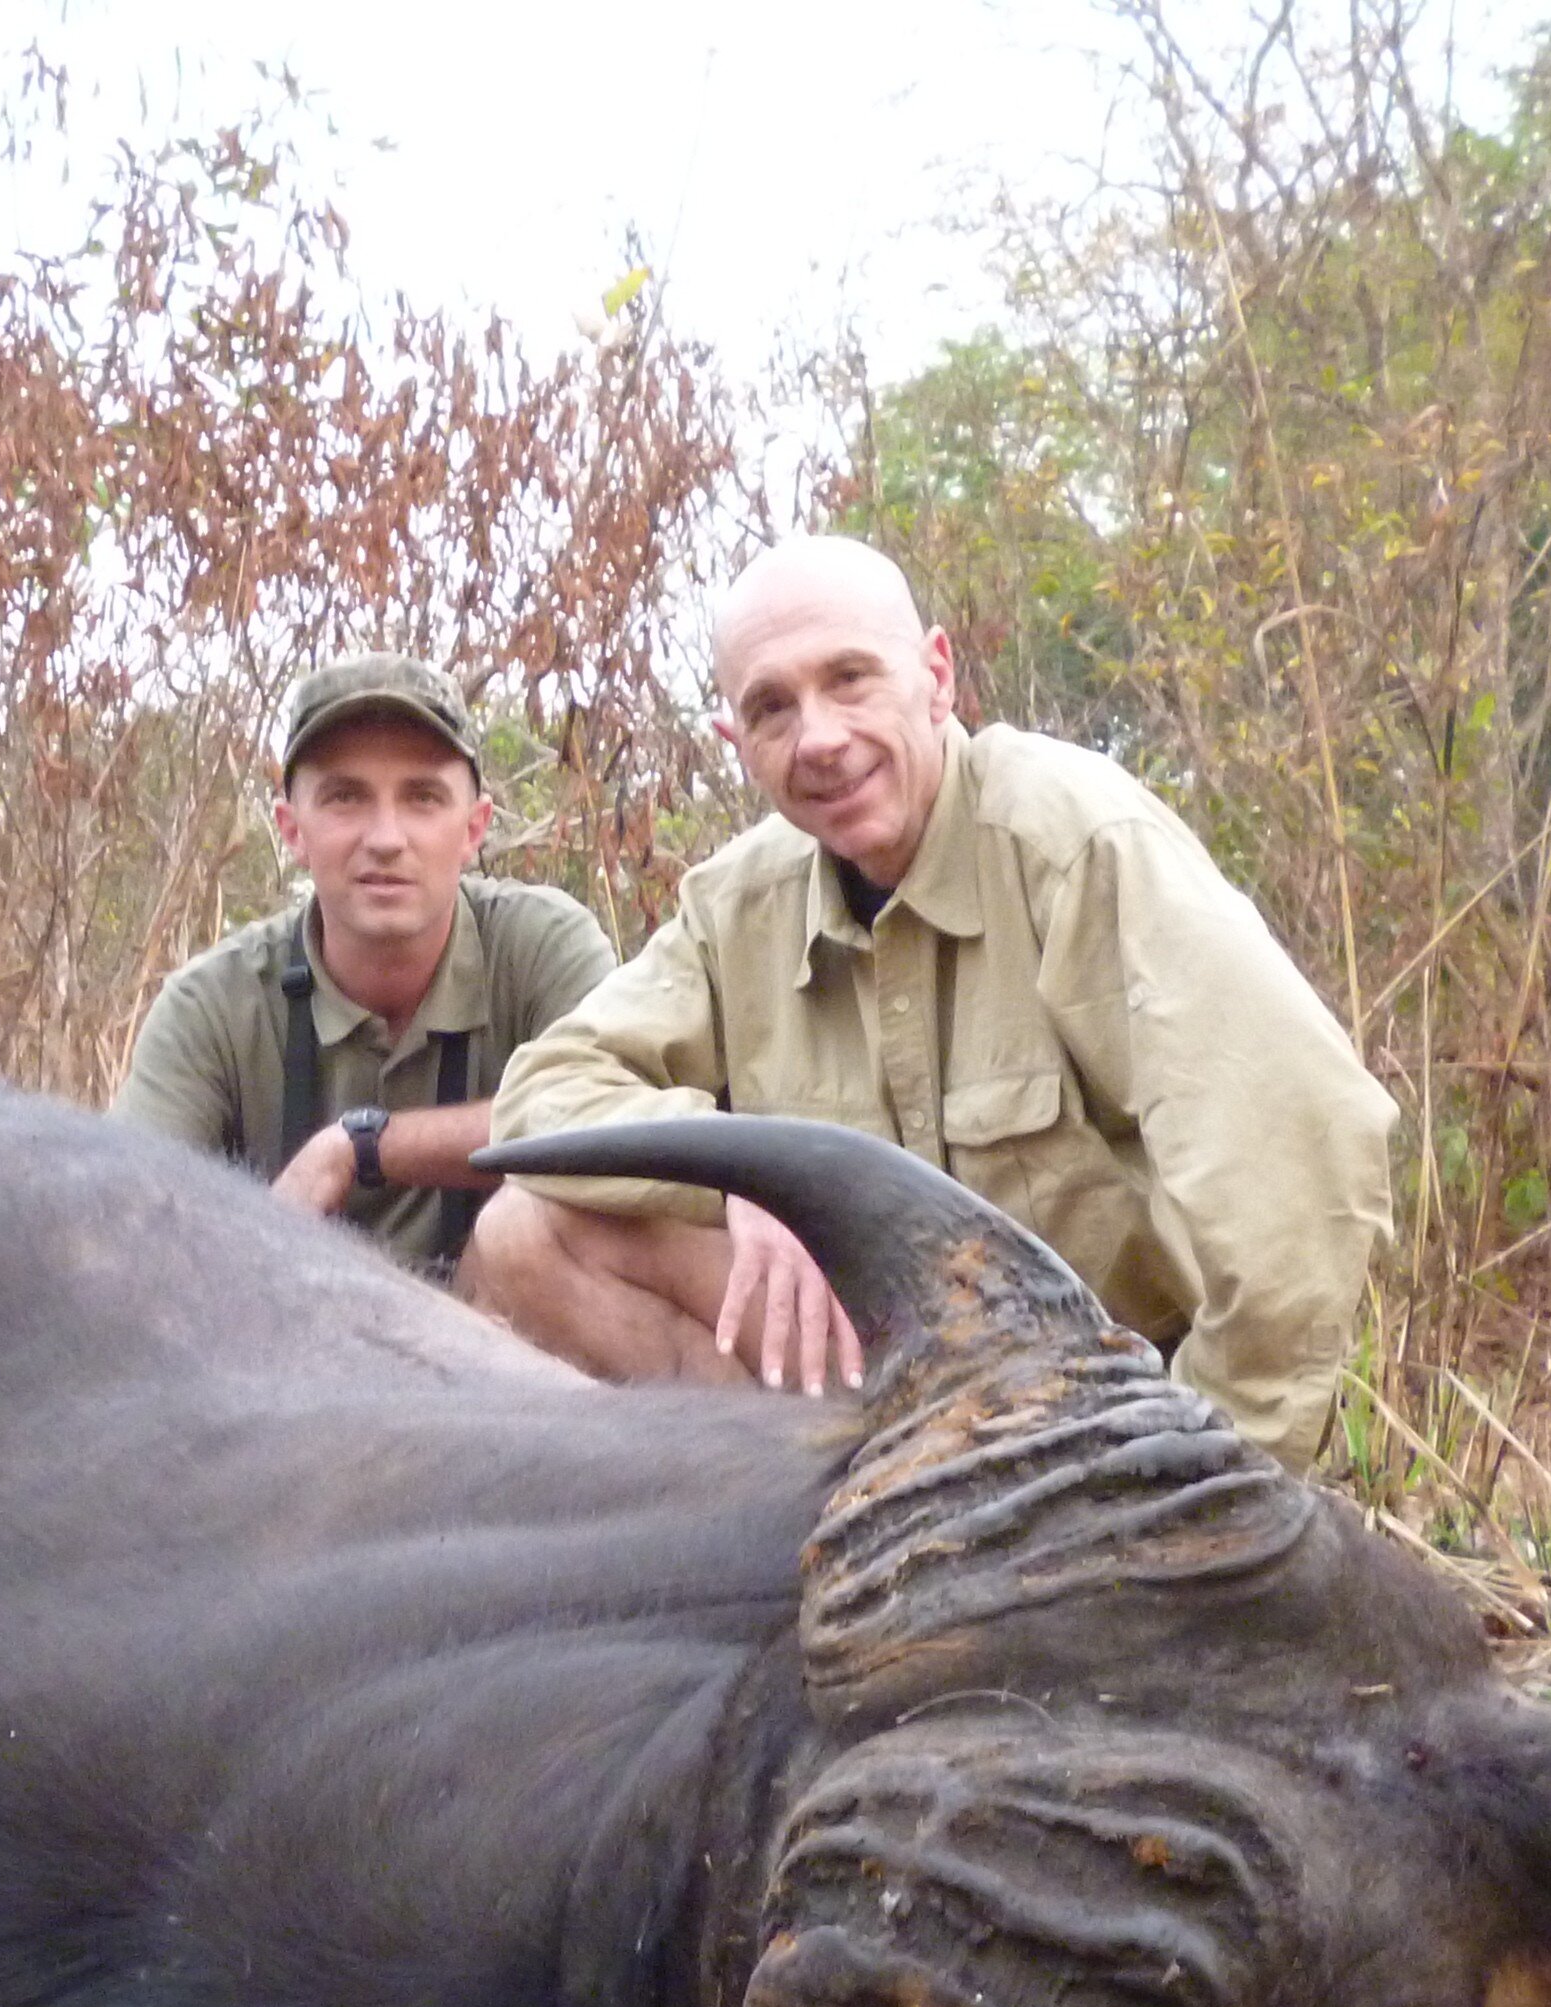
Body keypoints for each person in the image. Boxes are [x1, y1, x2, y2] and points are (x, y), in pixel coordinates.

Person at [472, 536, 1397, 1459]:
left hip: (1110, 1407)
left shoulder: (1074, 841)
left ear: (937, 677)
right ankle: (806, 1546)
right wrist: (734, 1179)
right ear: (737, 746)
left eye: (850, 679)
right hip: (892, 1382)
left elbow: (1301, 1147)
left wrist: (1216, 1469)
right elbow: (545, 1093)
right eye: (772, 708)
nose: (821, 739)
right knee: (529, 1234)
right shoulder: (735, 904)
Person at [116, 653, 614, 1282]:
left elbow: (612, 1123)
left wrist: (364, 1149)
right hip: (286, 1355)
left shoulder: (542, 946)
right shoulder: (211, 1006)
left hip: (510, 1355)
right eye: (346, 797)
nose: (385, 837)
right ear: (292, 831)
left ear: (474, 828)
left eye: (423, 797)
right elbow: (124, 1221)